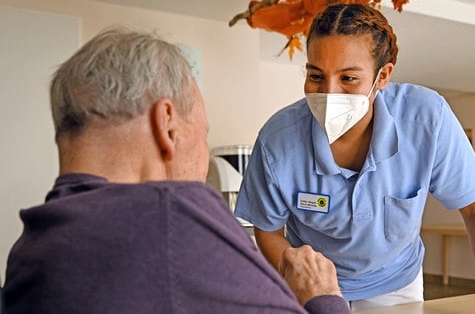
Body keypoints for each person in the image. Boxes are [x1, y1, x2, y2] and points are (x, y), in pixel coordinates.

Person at [2, 27, 351, 314]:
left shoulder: (31, 248)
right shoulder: (170, 209)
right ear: (167, 124)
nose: (202, 157)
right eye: (202, 135)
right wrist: (322, 298)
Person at [234, 3, 475, 313]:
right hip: (313, 285)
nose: (329, 93)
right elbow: (268, 230)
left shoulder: (426, 119)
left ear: (383, 76)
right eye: (316, 76)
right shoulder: (278, 142)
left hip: (396, 282)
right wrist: (303, 283)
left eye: (348, 78)